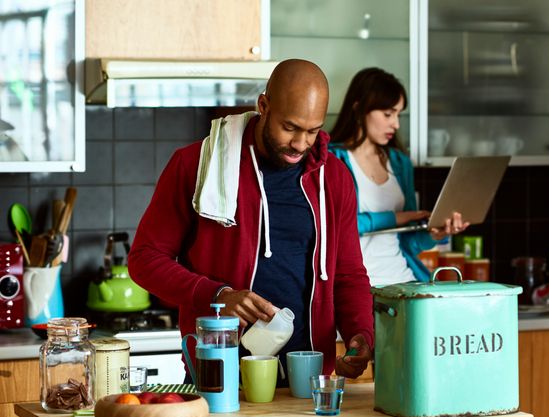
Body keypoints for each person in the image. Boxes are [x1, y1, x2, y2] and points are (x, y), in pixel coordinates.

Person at [128, 59, 373, 382]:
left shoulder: (335, 178)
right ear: (263, 105)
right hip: (219, 375)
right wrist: (217, 295)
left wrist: (360, 333)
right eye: (290, 127)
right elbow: (144, 259)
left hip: (309, 380)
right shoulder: (196, 165)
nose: (300, 144)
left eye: (312, 131)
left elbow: (348, 273)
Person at [329, 67, 469, 286]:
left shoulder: (400, 162)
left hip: (405, 280)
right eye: (388, 114)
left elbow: (410, 241)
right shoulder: (331, 159)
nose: (396, 124)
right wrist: (396, 217)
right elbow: (334, 226)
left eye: (398, 114)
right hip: (360, 286)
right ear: (358, 108)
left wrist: (434, 233)